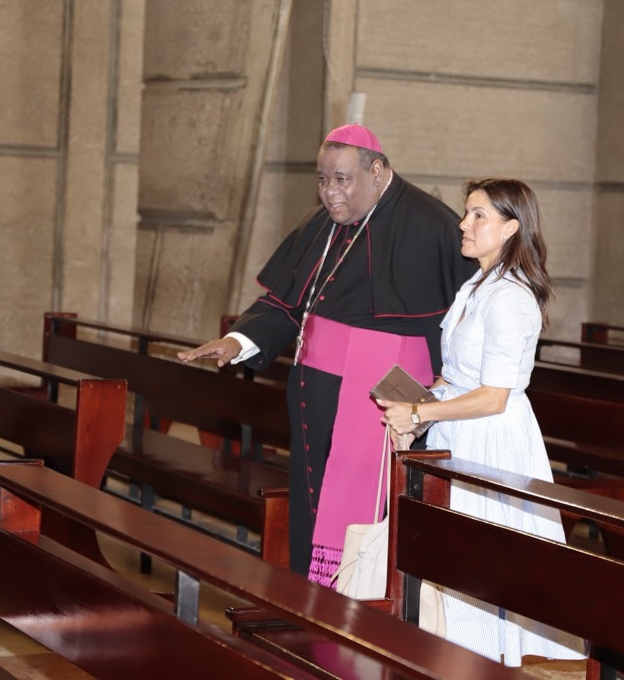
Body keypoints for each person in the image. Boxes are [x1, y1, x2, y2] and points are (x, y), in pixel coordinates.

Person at [177, 123, 474, 582]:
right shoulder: (324, 222)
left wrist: (443, 392)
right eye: (322, 179)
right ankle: (313, 603)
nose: (330, 193)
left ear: (377, 171)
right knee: (313, 498)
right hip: (316, 395)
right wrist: (238, 341)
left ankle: (367, 608)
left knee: (369, 509)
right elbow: (285, 303)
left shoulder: (432, 224)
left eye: (341, 179)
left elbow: (463, 319)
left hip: (382, 400)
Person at [378, 178, 586, 666]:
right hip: (459, 434)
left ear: (511, 228)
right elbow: (457, 375)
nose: (463, 224)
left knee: (485, 564)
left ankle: (488, 663)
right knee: (456, 560)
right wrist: (415, 413)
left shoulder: (511, 297)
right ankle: (458, 660)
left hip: (492, 442)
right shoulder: (476, 285)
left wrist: (420, 413)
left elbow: (493, 397)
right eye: (466, 213)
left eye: (478, 216)